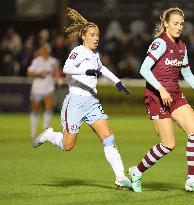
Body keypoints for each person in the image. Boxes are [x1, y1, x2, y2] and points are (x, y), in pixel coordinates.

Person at [32, 7, 132, 189]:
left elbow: (101, 69)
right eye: (92, 35)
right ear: (83, 36)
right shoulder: (78, 51)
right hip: (75, 103)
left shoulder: (95, 55)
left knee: (108, 138)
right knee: (67, 145)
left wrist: (117, 82)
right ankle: (49, 135)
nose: (96, 38)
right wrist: (85, 70)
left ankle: (120, 177)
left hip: (92, 102)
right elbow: (66, 69)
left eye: (98, 35)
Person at [128, 7, 194, 194]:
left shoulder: (182, 47)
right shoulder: (160, 43)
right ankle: (137, 171)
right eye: (175, 23)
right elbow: (144, 69)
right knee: (168, 144)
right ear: (166, 23)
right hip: (156, 96)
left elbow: (188, 75)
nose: (179, 27)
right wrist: (161, 89)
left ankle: (192, 180)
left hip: (174, 95)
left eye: (181, 24)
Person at [27, 43, 61, 139]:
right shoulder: (36, 61)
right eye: (43, 49)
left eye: (46, 49)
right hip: (37, 89)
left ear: (49, 50)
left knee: (48, 108)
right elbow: (29, 73)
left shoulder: (53, 61)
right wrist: (39, 74)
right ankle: (33, 132)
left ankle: (45, 131)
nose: (45, 50)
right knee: (35, 110)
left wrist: (58, 78)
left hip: (49, 88)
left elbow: (56, 72)